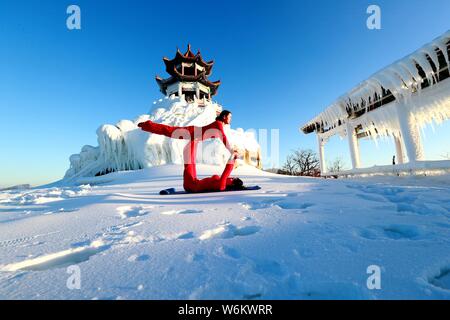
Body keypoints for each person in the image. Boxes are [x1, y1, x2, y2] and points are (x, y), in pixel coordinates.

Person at [137, 110, 244, 193]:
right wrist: (231, 153)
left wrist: (231, 154)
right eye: (230, 117)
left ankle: (148, 126)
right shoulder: (218, 124)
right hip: (193, 133)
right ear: (224, 117)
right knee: (170, 131)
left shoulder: (222, 184)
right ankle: (148, 125)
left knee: (188, 157)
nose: (230, 119)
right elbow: (223, 137)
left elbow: (222, 137)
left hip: (195, 140)